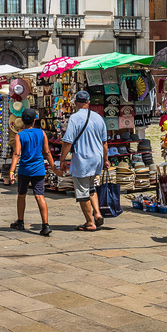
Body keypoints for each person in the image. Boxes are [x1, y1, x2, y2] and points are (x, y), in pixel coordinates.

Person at [59, 91, 108, 232]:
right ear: (88, 102)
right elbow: (105, 143)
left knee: (82, 192)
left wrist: (62, 159)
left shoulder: (74, 118)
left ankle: (89, 222)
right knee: (91, 187)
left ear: (75, 103)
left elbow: (67, 142)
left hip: (83, 159)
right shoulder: (98, 118)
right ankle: (97, 214)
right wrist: (106, 160)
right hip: (97, 159)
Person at [9, 108, 54, 236]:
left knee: (21, 194)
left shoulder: (19, 135)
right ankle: (45, 225)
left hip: (24, 169)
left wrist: (12, 171)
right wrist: (54, 167)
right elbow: (47, 152)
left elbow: (17, 154)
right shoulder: (42, 133)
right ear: (34, 120)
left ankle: (20, 221)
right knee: (40, 196)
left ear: (22, 121)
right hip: (39, 169)